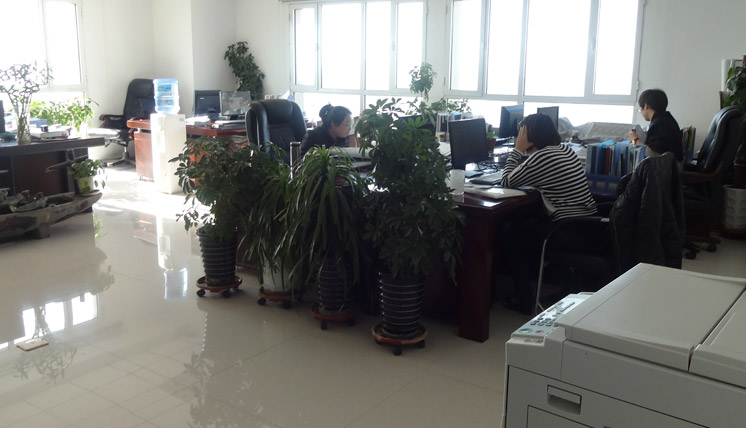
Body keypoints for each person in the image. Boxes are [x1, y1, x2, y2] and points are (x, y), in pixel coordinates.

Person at [500, 113, 598, 315]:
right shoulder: (565, 150)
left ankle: (523, 300)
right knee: (525, 224)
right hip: (590, 227)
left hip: (570, 231)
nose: (519, 136)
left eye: (521, 132)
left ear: (530, 135)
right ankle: (564, 288)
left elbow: (507, 181)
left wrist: (517, 150)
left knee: (514, 236)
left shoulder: (542, 157)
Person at [629, 89, 683, 163]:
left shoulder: (659, 125)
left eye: (640, 108)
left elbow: (654, 155)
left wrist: (635, 140)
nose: (640, 111)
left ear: (646, 106)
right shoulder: (666, 119)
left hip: (666, 168)